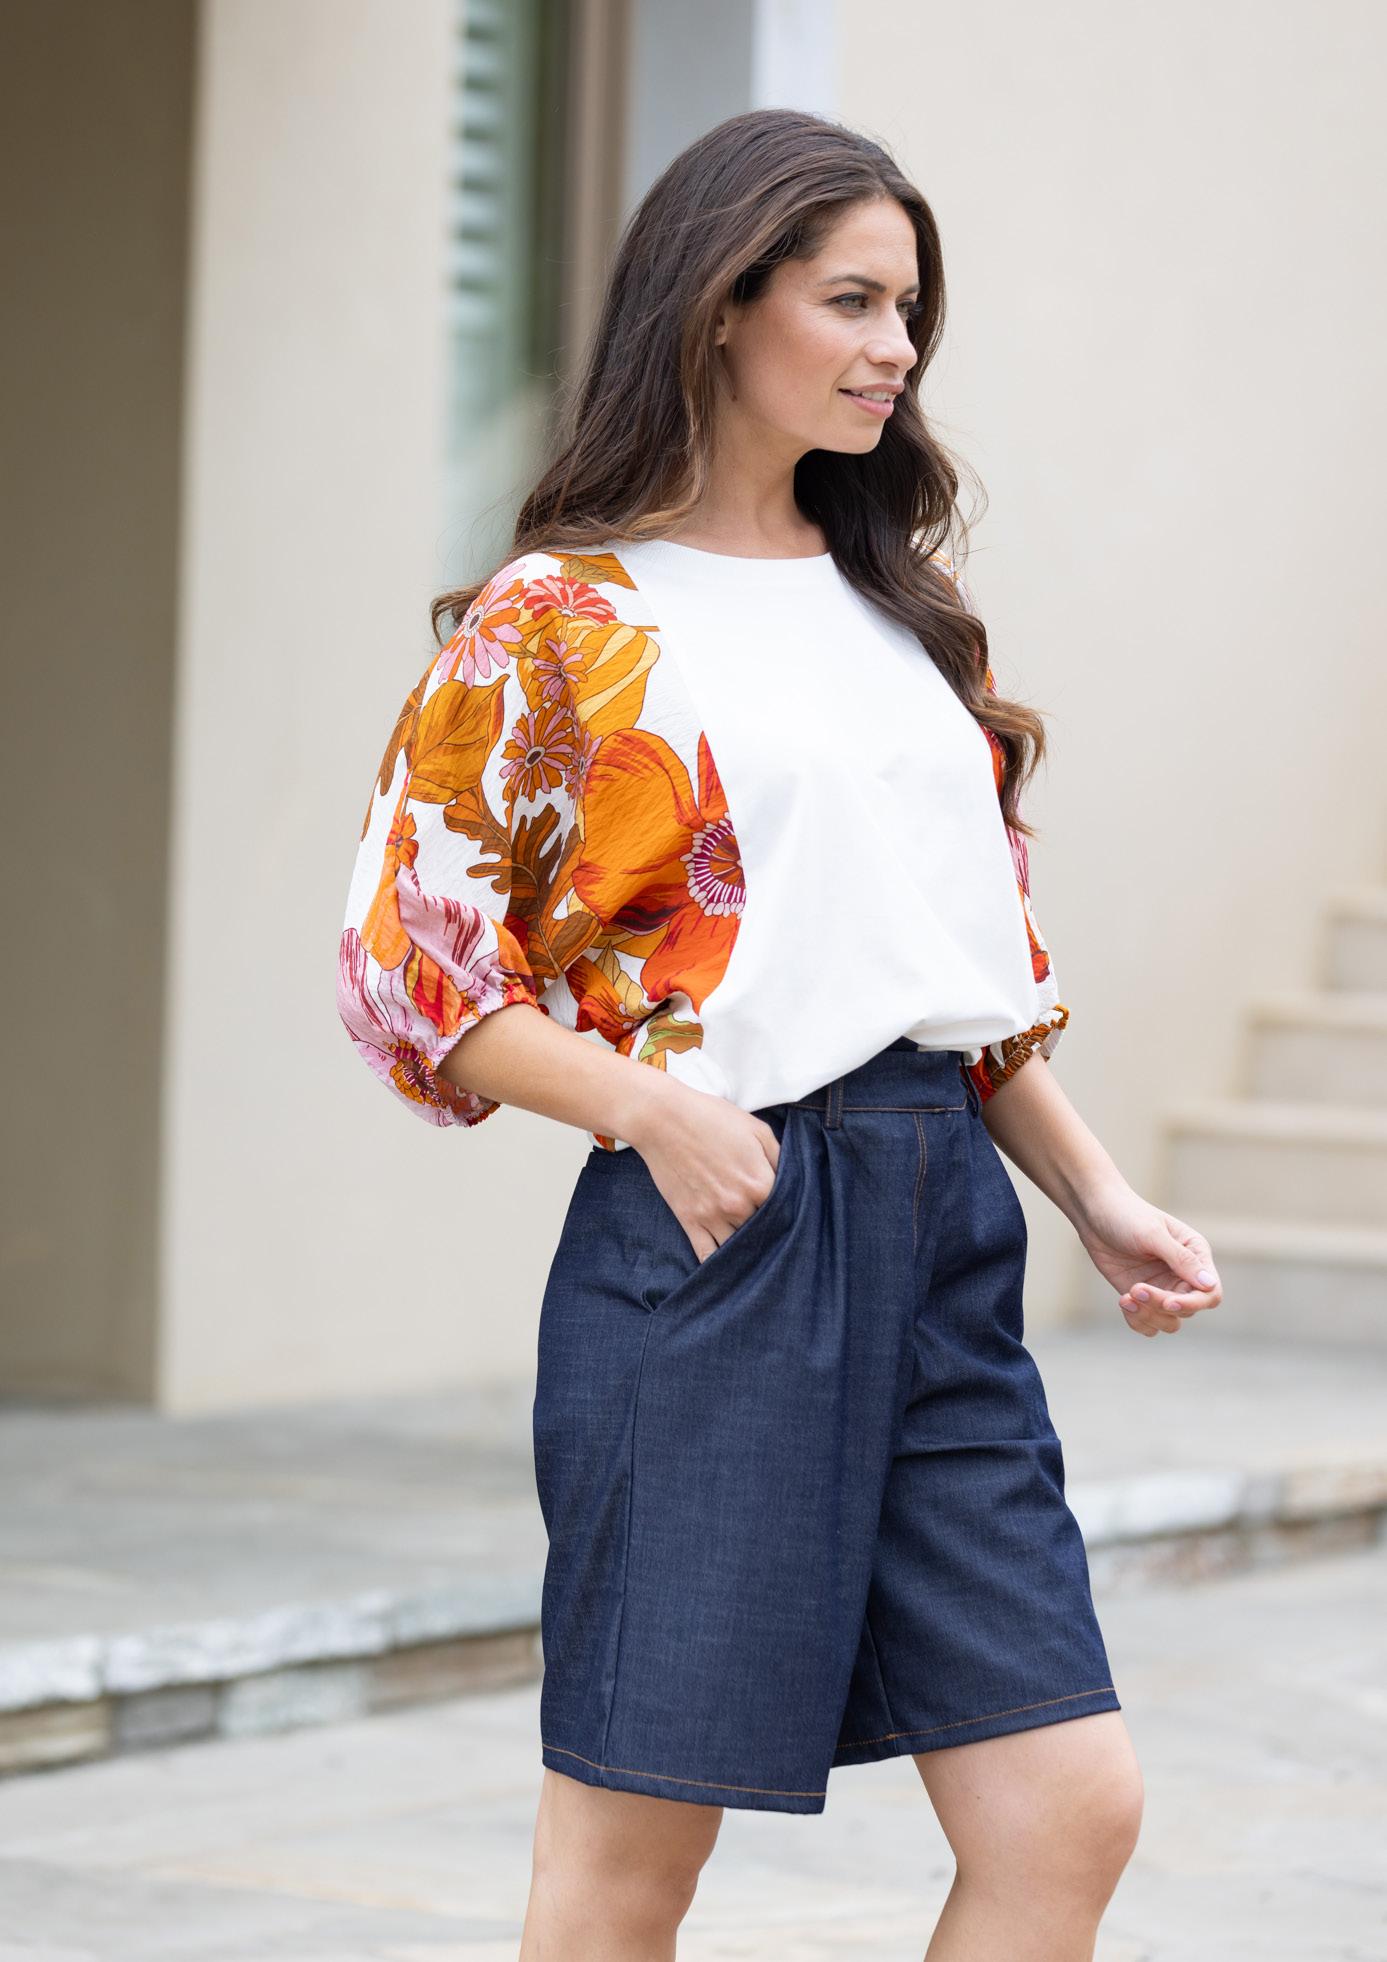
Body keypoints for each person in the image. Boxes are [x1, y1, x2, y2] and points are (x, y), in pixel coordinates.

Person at [338, 106, 1222, 1962]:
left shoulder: (906, 617)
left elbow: (968, 981)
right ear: (722, 303)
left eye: (911, 311)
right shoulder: (565, 621)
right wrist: (651, 1112)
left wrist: (1097, 1196)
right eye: (853, 301)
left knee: (1068, 1808)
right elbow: (409, 967)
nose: (897, 347)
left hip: (942, 1238)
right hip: (723, 1239)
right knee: (634, 1851)